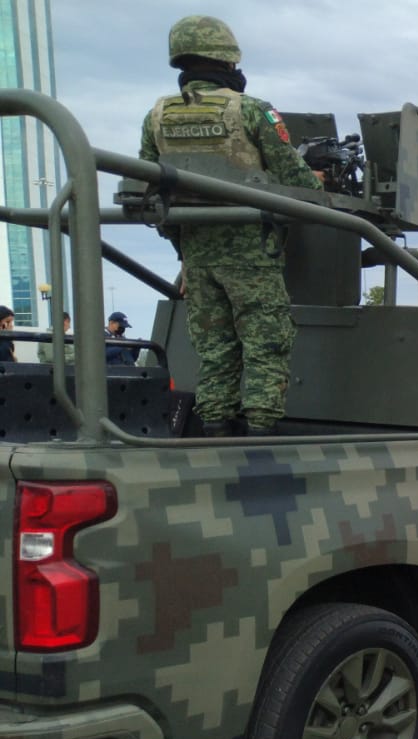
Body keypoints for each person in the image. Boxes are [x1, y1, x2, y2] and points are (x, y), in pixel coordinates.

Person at [140, 15, 323, 437]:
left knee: (215, 349)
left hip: (196, 253)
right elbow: (295, 180)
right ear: (228, 60)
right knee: (265, 343)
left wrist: (184, 253)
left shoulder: (156, 116)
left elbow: (150, 185)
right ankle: (260, 433)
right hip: (251, 252)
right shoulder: (253, 110)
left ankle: (214, 431)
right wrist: (317, 180)